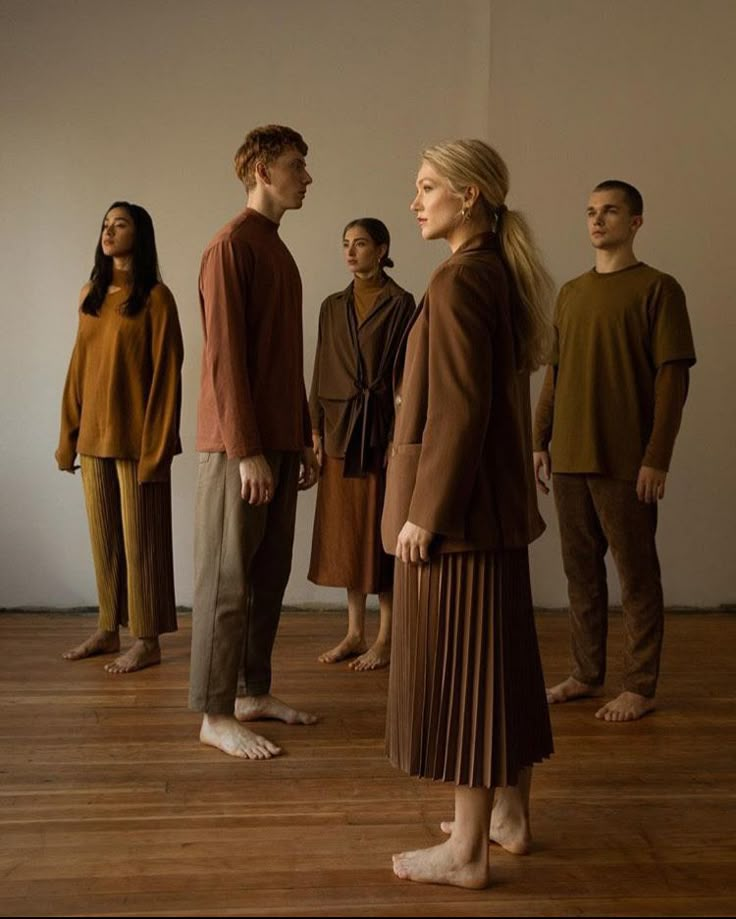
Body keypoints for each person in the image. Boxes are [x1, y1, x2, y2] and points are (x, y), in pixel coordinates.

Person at [381, 139, 554, 889]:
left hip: (461, 521)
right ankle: (508, 816)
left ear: (471, 195)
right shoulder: (494, 275)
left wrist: (426, 512)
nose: (415, 202)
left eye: (427, 187)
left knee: (464, 679)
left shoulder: (459, 282)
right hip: (494, 516)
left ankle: (467, 852)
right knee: (504, 666)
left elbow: (461, 411)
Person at [534, 180, 696, 723]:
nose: (597, 221)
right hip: (571, 458)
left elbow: (672, 382)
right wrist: (538, 440)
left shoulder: (659, 288)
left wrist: (658, 456)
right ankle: (585, 673)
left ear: (636, 222)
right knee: (581, 573)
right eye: (590, 212)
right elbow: (553, 377)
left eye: (610, 211)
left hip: (627, 460)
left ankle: (640, 685)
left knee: (636, 575)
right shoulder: (571, 293)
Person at [189, 124, 320, 760]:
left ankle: (249, 691)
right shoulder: (230, 247)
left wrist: (301, 437)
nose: (307, 177)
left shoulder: (277, 250)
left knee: (268, 576)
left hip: (279, 442)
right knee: (227, 579)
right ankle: (215, 714)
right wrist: (246, 450)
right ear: (262, 170)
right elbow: (224, 361)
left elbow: (284, 359)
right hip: (238, 448)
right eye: (297, 165)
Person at [56, 202, 183, 673]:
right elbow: (77, 370)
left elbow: (168, 376)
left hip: (137, 443)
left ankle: (146, 640)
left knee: (142, 542)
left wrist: (158, 448)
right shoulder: (90, 294)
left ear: (140, 234)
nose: (108, 231)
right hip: (93, 440)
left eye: (119, 224)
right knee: (104, 539)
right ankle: (109, 629)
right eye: (105, 224)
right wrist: (67, 435)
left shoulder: (156, 298)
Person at [308, 218, 415, 671]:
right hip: (338, 430)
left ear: (382, 248)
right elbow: (319, 369)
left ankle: (386, 638)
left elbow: (409, 377)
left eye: (361, 244)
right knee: (348, 534)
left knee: (381, 532)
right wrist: (313, 430)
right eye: (346, 244)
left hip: (380, 432)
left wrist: (400, 436)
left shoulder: (402, 303)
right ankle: (354, 632)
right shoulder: (332, 306)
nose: (351, 252)